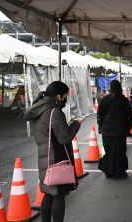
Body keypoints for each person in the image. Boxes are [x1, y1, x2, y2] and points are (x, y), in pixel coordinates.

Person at [23, 81, 82, 222]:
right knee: (59, 195)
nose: (66, 99)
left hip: (44, 157)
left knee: (49, 194)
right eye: (65, 96)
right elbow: (64, 137)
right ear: (58, 96)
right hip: (57, 158)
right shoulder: (54, 112)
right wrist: (76, 124)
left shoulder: (39, 110)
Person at [97, 80, 132, 179]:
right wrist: (127, 129)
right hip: (120, 131)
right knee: (119, 152)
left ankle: (108, 172)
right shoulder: (124, 100)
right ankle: (119, 173)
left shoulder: (105, 99)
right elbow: (129, 117)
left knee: (107, 151)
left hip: (106, 131)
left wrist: (101, 126)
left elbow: (100, 114)